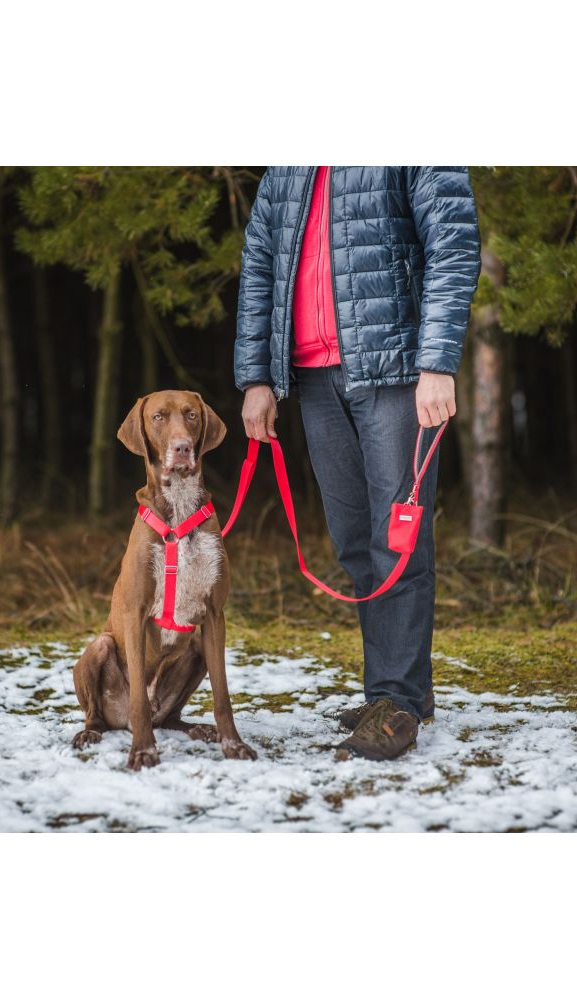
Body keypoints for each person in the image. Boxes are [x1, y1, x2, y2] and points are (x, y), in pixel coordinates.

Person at [234, 166, 481, 761]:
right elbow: (260, 262)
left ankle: (396, 701)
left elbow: (453, 241)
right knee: (353, 542)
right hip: (314, 378)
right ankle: (395, 692)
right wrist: (257, 377)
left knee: (397, 544)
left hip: (396, 371)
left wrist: (437, 363)